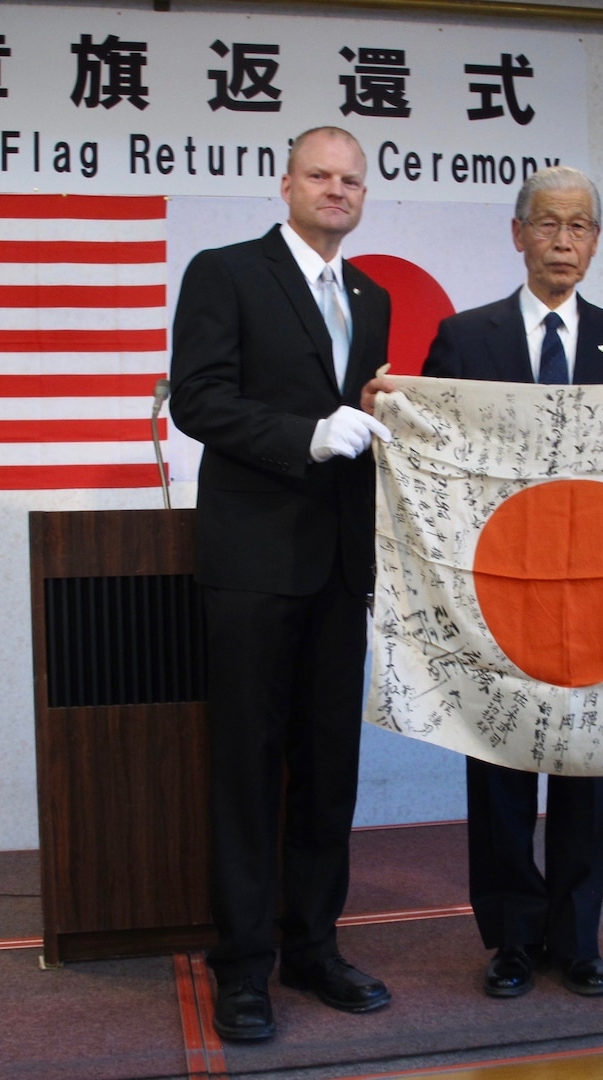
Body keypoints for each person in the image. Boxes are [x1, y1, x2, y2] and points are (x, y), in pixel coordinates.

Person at [368, 165, 603, 999]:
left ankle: (580, 938)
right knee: (502, 764)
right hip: (501, 590)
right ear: (517, 234)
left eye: (580, 226)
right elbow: (436, 451)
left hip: (594, 592)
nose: (563, 240)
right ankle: (513, 939)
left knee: (586, 766)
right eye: (547, 224)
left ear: (594, 241)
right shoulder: (465, 336)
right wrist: (392, 405)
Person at [168, 126, 393, 1042]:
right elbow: (199, 398)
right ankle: (244, 966)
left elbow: (361, 411)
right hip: (255, 565)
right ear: (285, 183)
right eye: (320, 176)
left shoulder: (370, 294)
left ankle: (314, 943)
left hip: (343, 565)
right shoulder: (225, 271)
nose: (336, 191)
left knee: (328, 770)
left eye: (351, 180)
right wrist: (304, 435)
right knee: (250, 771)